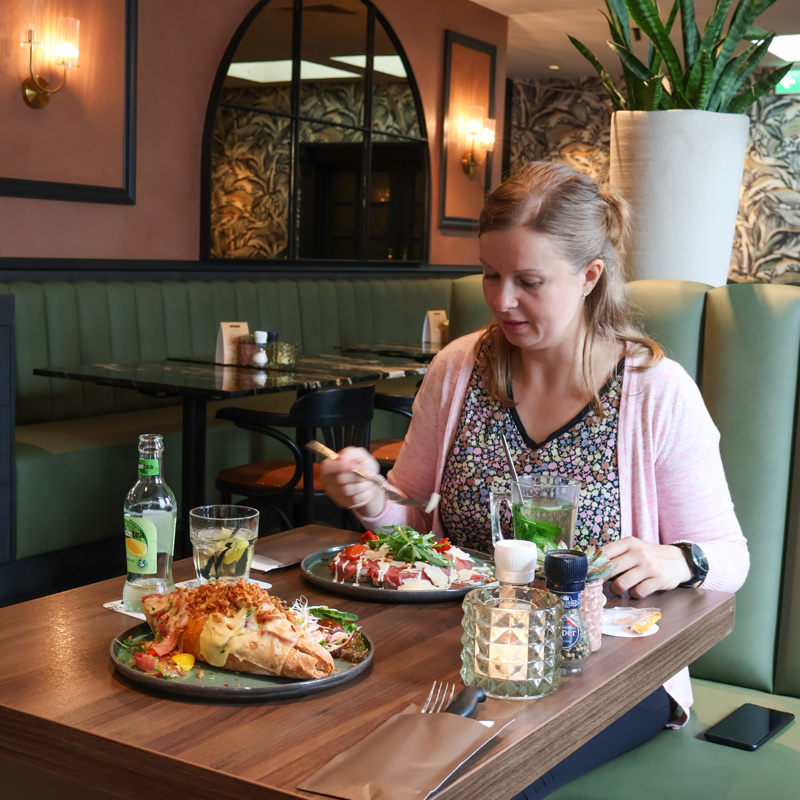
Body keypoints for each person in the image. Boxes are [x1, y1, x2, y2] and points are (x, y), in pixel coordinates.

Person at [320, 161, 749, 797]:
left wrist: (676, 559)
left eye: (529, 280)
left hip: (607, 673)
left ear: (589, 277)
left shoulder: (656, 392)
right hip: (461, 653)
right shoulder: (458, 368)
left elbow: (731, 557)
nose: (502, 300)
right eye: (491, 275)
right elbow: (411, 517)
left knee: (469, 783)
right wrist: (367, 494)